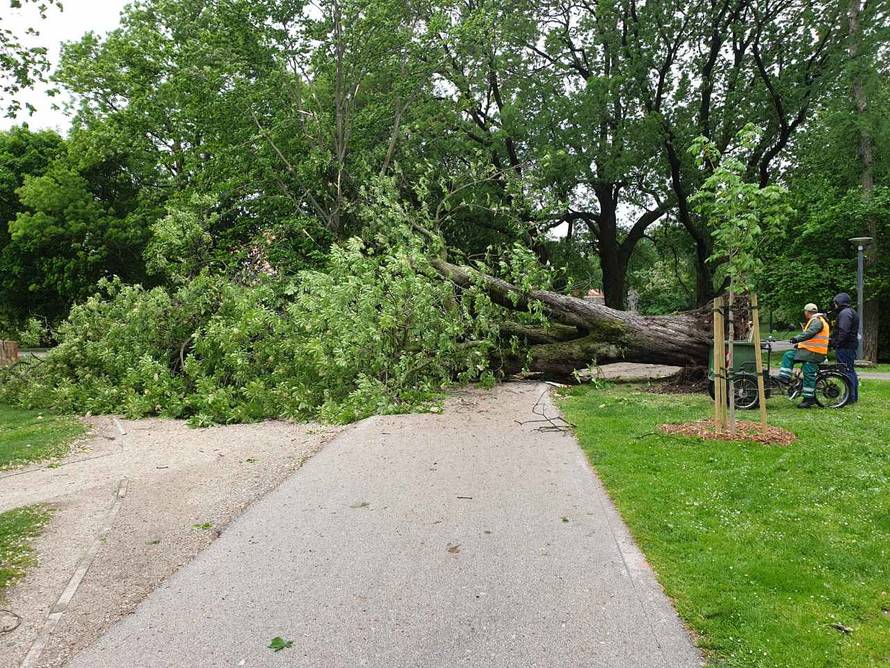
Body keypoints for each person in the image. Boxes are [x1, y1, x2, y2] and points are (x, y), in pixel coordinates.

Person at [777, 303, 830, 409]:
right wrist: (799, 344)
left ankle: (809, 399)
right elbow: (812, 338)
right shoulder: (817, 320)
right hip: (809, 352)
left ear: (807, 312)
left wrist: (797, 338)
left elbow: (810, 333)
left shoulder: (817, 321)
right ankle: (785, 377)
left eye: (805, 312)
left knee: (808, 372)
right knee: (789, 355)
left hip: (814, 353)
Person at [830, 292, 860, 403]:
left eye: (835, 303)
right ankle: (853, 396)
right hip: (849, 345)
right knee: (850, 370)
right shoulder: (850, 312)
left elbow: (844, 331)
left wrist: (836, 342)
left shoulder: (845, 313)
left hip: (845, 346)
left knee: (846, 371)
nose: (834, 305)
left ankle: (849, 397)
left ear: (840, 302)